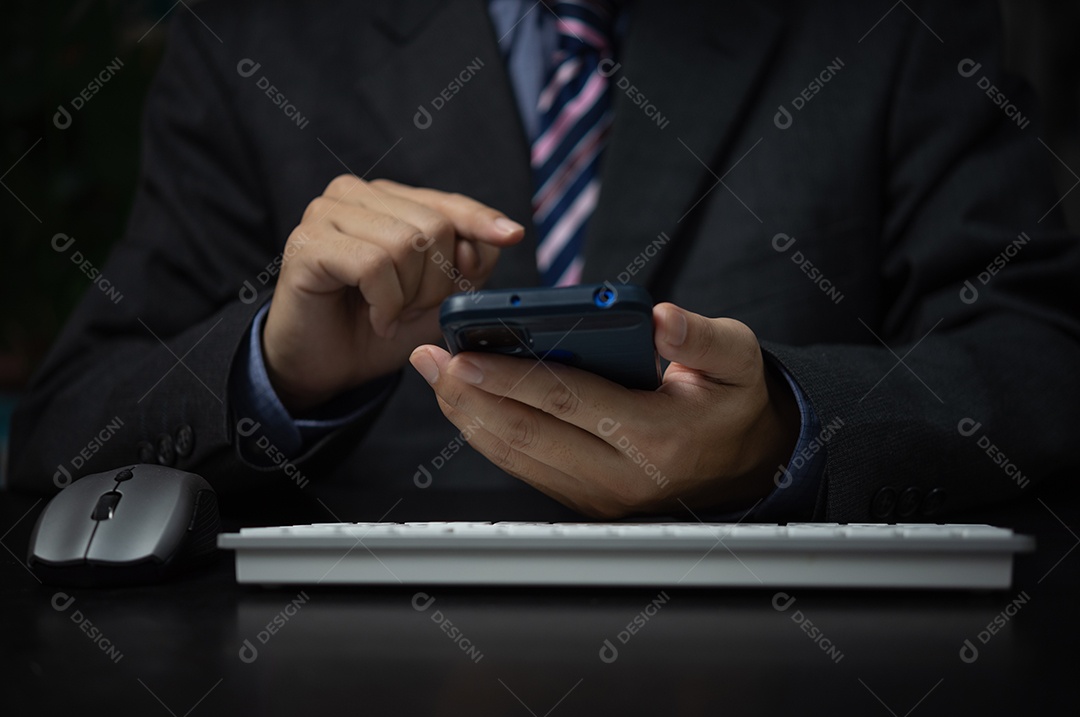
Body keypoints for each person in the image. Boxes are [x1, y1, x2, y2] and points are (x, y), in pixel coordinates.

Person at [10, 0, 1080, 523]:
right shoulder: (259, 31)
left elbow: (1044, 353)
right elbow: (64, 434)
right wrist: (272, 376)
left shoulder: (887, 19)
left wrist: (788, 433)